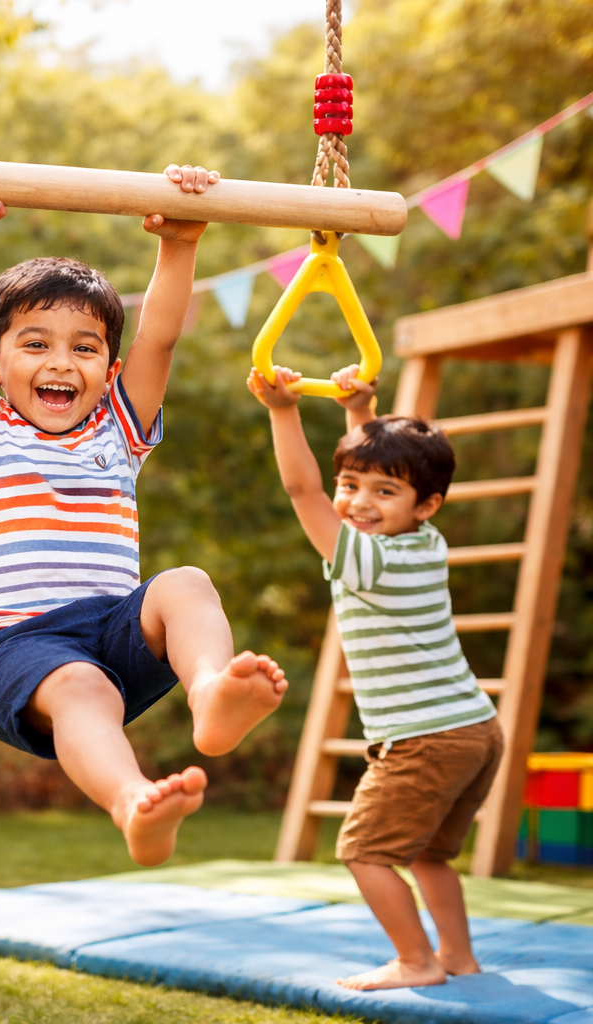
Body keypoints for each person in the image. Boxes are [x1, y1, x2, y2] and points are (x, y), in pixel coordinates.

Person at [0, 143, 288, 868]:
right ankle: (132, 802)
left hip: (108, 625)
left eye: (85, 347)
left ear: (108, 369)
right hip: (10, 642)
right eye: (35, 344)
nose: (62, 363)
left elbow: (159, 334)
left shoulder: (118, 432)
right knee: (81, 687)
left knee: (185, 582)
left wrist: (181, 242)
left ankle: (212, 693)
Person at [248, 362, 502, 991]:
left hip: (425, 739)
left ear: (427, 503)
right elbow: (366, 482)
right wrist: (360, 410)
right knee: (430, 854)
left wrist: (284, 411)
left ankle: (417, 961)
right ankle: (458, 957)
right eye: (351, 484)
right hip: (475, 728)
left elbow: (305, 493)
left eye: (383, 493)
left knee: (363, 852)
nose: (359, 504)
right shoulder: (425, 542)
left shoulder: (371, 561)